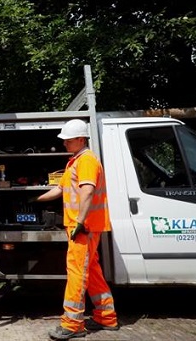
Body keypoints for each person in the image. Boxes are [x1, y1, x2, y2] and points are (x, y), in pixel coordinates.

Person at [31, 119, 119, 340]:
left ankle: (73, 324)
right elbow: (60, 189)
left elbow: (87, 192)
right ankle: (106, 316)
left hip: (83, 228)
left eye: (68, 140)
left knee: (77, 274)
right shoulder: (75, 161)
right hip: (83, 227)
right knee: (92, 272)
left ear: (81, 139)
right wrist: (36, 198)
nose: (64, 144)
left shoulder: (87, 160)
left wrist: (79, 223)